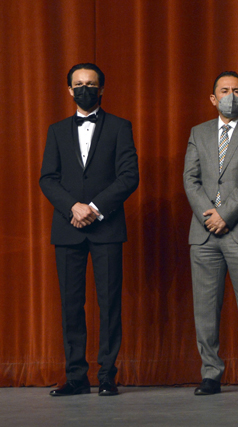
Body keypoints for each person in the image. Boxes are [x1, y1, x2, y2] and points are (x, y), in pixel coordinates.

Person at [40, 63, 139, 396]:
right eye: (79, 84)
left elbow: (129, 176)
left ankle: (107, 376)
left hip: (106, 227)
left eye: (91, 84)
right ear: (70, 90)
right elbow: (47, 178)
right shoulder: (56, 130)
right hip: (67, 227)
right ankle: (76, 377)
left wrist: (94, 209)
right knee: (71, 305)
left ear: (102, 89)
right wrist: (73, 207)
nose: (85, 89)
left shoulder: (120, 127)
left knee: (109, 304)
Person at [184, 71, 238, 396]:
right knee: (205, 307)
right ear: (213, 98)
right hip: (204, 232)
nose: (230, 96)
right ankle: (211, 373)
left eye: (236, 91)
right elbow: (190, 179)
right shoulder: (198, 132)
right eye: (224, 90)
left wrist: (225, 215)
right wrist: (210, 215)